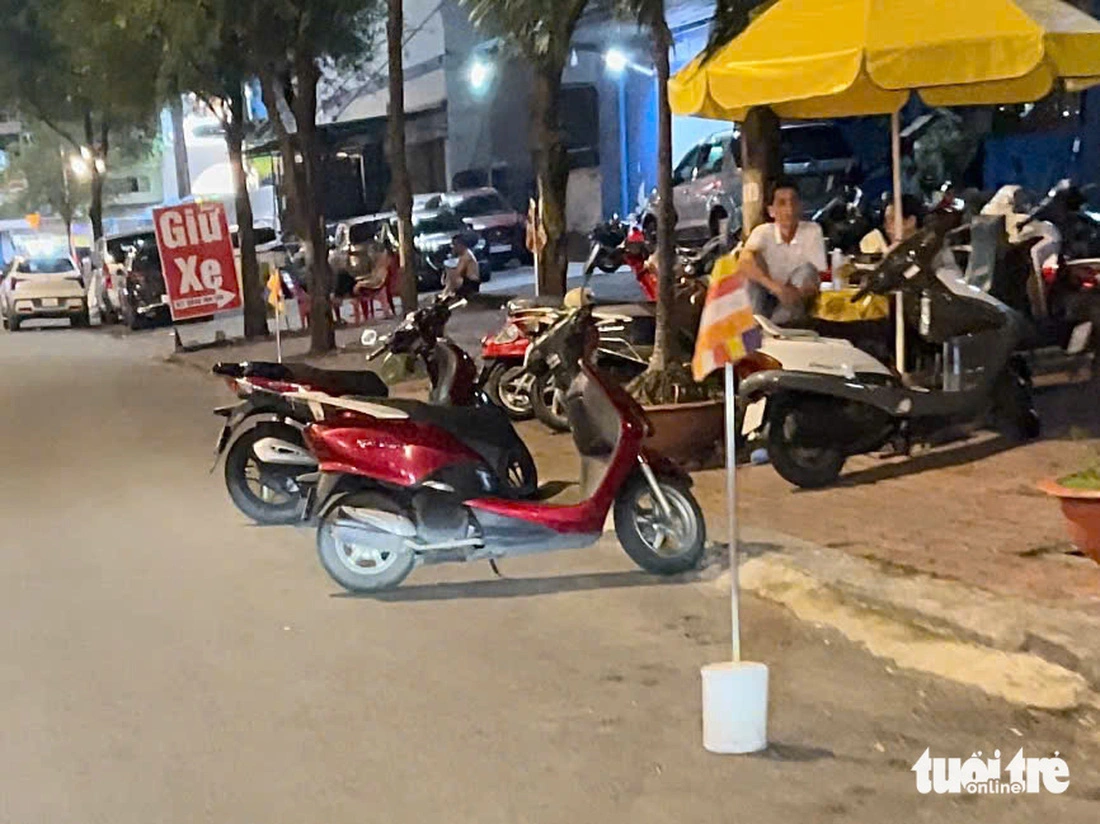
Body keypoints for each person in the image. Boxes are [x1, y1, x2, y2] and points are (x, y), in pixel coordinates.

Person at [738, 175, 826, 324]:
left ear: (800, 206)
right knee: (751, 272)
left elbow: (815, 277)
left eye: (793, 202)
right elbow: (744, 261)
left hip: (794, 300)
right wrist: (775, 287)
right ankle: (753, 333)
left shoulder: (813, 231)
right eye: (782, 203)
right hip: (766, 294)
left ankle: (776, 331)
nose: (789, 209)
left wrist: (795, 293)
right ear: (771, 211)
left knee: (806, 271)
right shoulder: (762, 232)